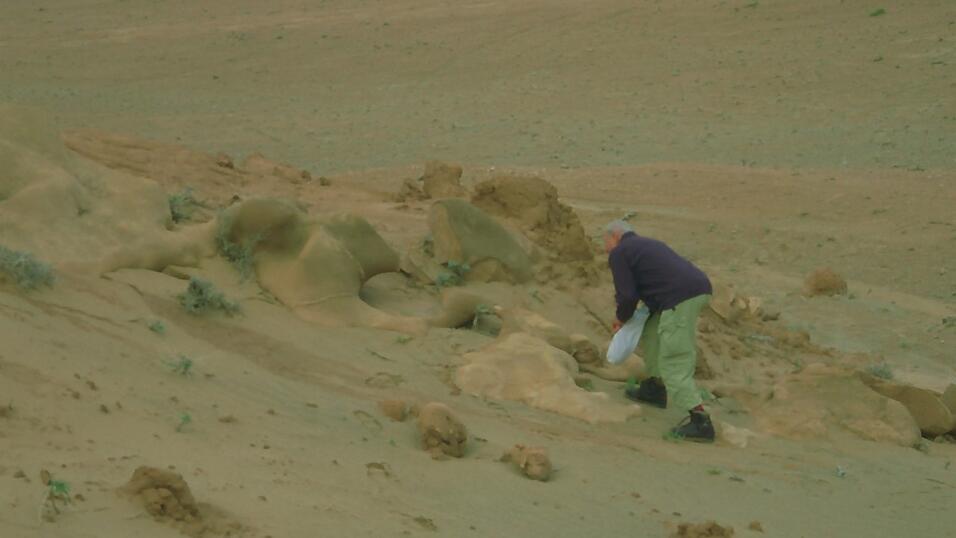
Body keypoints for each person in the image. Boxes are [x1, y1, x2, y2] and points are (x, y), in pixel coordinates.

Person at [604, 220, 715, 442]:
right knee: (651, 333)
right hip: (692, 289)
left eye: (605, 241)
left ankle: (700, 420)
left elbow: (627, 295)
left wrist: (621, 318)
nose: (605, 247)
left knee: (674, 356)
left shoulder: (620, 252)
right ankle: (654, 388)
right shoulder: (646, 244)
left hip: (679, 298)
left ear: (615, 236)